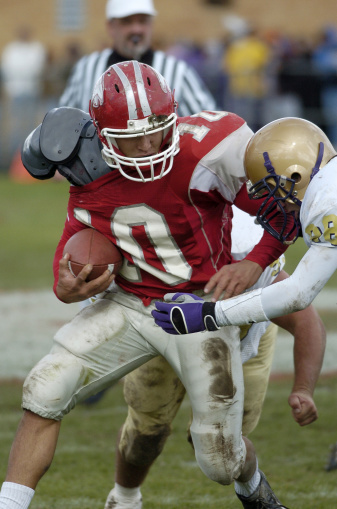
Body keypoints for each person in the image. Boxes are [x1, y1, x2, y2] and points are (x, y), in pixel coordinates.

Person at [0, 61, 292, 509]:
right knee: (44, 388)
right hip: (131, 305)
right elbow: (67, 272)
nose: (146, 145)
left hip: (199, 308)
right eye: (128, 137)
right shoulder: (87, 169)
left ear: (172, 115)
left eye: (155, 129)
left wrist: (253, 263)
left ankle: (253, 488)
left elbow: (282, 210)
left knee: (219, 459)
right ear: (99, 137)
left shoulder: (207, 149)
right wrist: (69, 285)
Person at [152, 116, 337, 332]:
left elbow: (297, 294)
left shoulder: (326, 204)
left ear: (297, 175)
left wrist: (209, 314)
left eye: (274, 188)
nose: (277, 203)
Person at [59, 0, 216, 115]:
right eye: (126, 22)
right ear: (111, 27)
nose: (136, 29)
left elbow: (209, 120)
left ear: (151, 25)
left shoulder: (177, 70)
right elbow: (64, 120)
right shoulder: (87, 68)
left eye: (143, 21)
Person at [1, 25, 47, 166]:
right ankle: (15, 159)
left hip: (31, 90)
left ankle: (29, 155)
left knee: (30, 125)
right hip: (15, 91)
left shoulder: (36, 49)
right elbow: (7, 68)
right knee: (16, 126)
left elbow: (37, 68)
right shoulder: (11, 50)